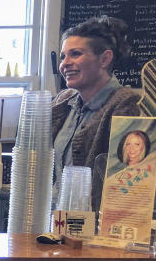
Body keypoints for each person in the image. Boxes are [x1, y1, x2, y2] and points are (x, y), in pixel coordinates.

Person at [52, 15, 142, 210]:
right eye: (63, 56)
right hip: (61, 223)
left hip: (98, 230)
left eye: (75, 54)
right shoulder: (66, 104)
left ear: (104, 59)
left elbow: (130, 181)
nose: (64, 64)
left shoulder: (126, 106)